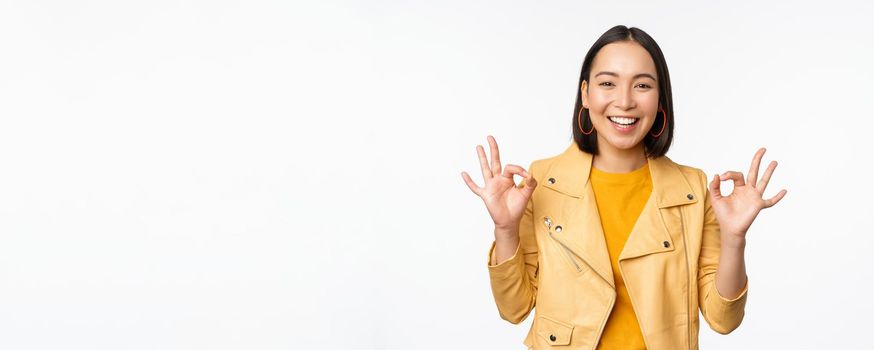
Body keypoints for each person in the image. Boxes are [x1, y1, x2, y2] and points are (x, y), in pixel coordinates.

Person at [460, 25, 787, 350]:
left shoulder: (692, 189)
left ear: (660, 100)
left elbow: (723, 319)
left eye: (642, 85)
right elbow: (513, 308)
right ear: (586, 94)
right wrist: (505, 229)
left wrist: (734, 238)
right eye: (608, 83)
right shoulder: (542, 181)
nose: (625, 101)